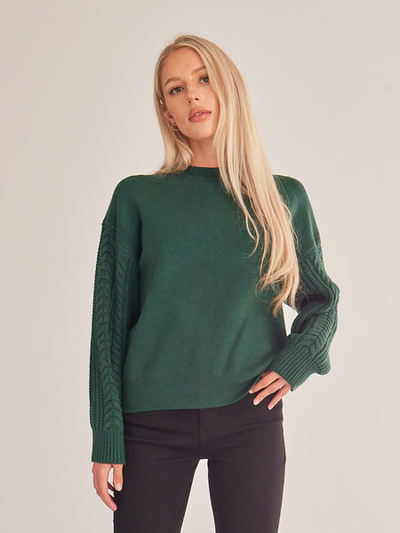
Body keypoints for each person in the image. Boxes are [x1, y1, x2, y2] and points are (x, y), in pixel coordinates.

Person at [89, 34, 340, 533]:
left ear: (229, 88)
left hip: (250, 417)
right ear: (167, 113)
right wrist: (107, 437)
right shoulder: (137, 198)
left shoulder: (281, 198)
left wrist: (296, 361)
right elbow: (109, 328)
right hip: (150, 424)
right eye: (176, 89)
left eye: (203, 79)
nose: (193, 95)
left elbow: (321, 300)